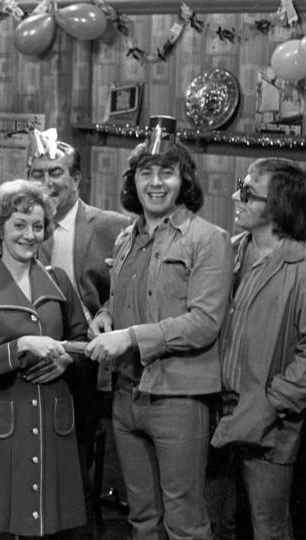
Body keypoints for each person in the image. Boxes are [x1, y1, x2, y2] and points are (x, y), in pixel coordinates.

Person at [85, 119, 231, 540]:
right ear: (134, 181)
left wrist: (129, 337)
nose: (156, 183)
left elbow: (204, 323)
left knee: (184, 523)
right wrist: (108, 315)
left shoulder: (208, 239)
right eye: (146, 172)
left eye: (166, 172)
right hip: (127, 395)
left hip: (179, 400)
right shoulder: (125, 238)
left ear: (183, 179)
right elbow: (132, 297)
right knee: (142, 519)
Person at [0, 180, 88, 538]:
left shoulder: (59, 282)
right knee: (4, 525)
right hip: (2, 424)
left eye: (37, 226)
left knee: (48, 525)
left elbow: (80, 341)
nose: (30, 235)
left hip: (52, 420)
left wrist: (68, 361)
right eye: (19, 225)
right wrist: (22, 346)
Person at [24, 129, 130, 511]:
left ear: (76, 179)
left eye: (55, 172)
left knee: (74, 464)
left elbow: (124, 294)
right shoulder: (16, 224)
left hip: (83, 361)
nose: (46, 181)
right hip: (27, 357)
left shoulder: (111, 226)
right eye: (37, 173)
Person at [208, 159, 306, 540]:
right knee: (217, 522)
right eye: (239, 185)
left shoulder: (300, 267)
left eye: (248, 192)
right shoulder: (228, 251)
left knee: (269, 528)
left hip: (270, 420)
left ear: (279, 206)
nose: (236, 196)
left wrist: (268, 403)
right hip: (216, 409)